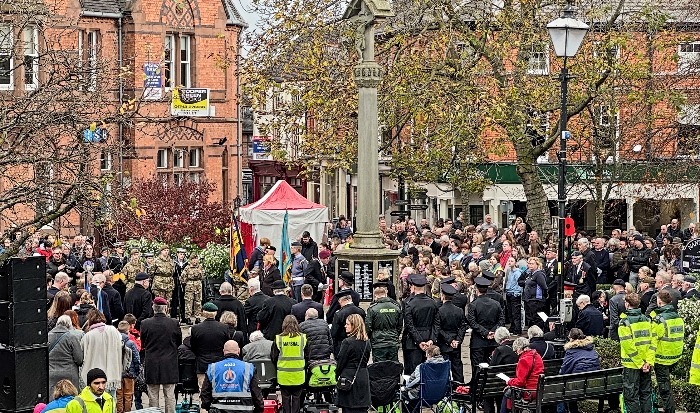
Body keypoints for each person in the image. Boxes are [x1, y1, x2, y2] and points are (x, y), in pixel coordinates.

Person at [140, 297, 182, 413]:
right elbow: (178, 342)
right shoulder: (174, 323)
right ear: (165, 308)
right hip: (169, 363)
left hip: (152, 362)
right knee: (169, 395)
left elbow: (143, 342)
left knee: (153, 395)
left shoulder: (145, 323)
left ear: (153, 307)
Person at [200, 340, 265, 413]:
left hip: (219, 410)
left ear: (224, 351)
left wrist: (206, 406)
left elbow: (205, 392)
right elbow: (256, 391)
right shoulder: (248, 367)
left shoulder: (213, 368)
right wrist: (259, 408)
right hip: (244, 410)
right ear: (238, 351)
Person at [618, 293, 653, 413]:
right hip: (646, 364)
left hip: (632, 364)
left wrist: (639, 363)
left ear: (627, 304)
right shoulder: (648, 320)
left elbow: (628, 346)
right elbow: (652, 343)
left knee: (631, 396)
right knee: (646, 394)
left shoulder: (624, 322)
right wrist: (647, 362)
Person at [650, 290, 684, 413]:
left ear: (659, 301)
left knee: (664, 388)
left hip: (662, 357)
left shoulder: (659, 319)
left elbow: (653, 339)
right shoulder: (678, 316)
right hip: (675, 355)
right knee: (667, 386)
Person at [468, 276, 505, 386]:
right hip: (493, 341)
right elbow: (501, 320)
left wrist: (485, 332)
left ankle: (477, 389)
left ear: (477, 289)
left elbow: (472, 322)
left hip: (478, 341)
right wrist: (492, 332)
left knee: (477, 367)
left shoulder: (473, 305)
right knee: (491, 366)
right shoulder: (496, 304)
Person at [402, 273, 440, 375]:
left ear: (413, 286)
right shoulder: (433, 303)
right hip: (429, 338)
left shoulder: (409, 303)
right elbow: (436, 324)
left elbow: (409, 325)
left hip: (413, 342)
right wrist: (431, 339)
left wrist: (419, 341)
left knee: (412, 371)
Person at [80, 309, 123, 399]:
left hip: (94, 375)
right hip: (112, 373)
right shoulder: (113, 330)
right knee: (111, 400)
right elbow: (121, 345)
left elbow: (82, 354)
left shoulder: (88, 336)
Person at [271, 315, 309, 413]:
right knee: (297, 398)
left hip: (283, 374)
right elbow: (308, 356)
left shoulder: (279, 338)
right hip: (298, 374)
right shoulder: (302, 338)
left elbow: (274, 357)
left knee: (285, 397)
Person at [557, 329, 600, 413]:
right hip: (595, 386)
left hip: (578, 387)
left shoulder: (571, 352)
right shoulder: (591, 349)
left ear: (572, 339)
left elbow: (563, 372)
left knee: (559, 388)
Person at [335, 314, 372, 413]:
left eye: (347, 324)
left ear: (354, 325)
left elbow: (341, 362)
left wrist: (336, 375)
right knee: (362, 408)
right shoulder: (367, 342)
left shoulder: (347, 342)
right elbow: (366, 359)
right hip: (363, 376)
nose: (345, 326)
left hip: (349, 377)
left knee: (348, 408)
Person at [190, 302, 231, 389]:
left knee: (203, 389)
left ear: (204, 313)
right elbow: (227, 345)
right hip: (219, 362)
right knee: (219, 388)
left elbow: (193, 346)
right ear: (215, 313)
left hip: (202, 363)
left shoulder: (196, 328)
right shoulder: (224, 328)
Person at [501, 337, 544, 413]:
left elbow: (520, 382)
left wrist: (509, 381)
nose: (516, 353)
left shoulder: (523, 360)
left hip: (529, 393)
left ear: (520, 349)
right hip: (539, 390)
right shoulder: (537, 356)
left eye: (516, 350)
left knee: (507, 393)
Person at [436, 283, 467, 383]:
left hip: (444, 342)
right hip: (456, 343)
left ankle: (445, 389)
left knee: (444, 369)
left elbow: (438, 328)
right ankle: (460, 388)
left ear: (442, 296)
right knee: (457, 367)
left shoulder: (439, 311)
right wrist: (457, 340)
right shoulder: (459, 311)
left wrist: (449, 340)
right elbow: (463, 327)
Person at [483, 328, 519, 413]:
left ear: (497, 339)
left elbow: (492, 369)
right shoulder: (517, 346)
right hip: (515, 380)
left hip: (500, 384)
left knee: (487, 392)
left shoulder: (499, 350)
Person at [365, 282, 402, 362]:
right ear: (386, 293)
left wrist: (372, 337)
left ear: (375, 295)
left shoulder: (373, 309)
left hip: (378, 343)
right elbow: (399, 326)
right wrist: (395, 335)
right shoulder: (396, 307)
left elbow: (368, 327)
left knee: (379, 368)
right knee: (393, 366)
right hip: (393, 341)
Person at [48, 315, 84, 393]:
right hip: (69, 375)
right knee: (70, 398)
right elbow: (79, 359)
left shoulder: (48, 337)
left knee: (54, 398)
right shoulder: (71, 337)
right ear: (69, 325)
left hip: (52, 373)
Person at [331, 290, 366, 356]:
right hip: (359, 345)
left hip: (342, 346)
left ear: (341, 301)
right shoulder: (361, 311)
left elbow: (334, 333)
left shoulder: (339, 313)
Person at [116, 321, 140, 413]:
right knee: (128, 395)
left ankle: (119, 411)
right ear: (128, 330)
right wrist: (137, 371)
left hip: (118, 373)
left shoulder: (114, 342)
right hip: (129, 373)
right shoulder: (130, 343)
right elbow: (136, 358)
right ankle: (128, 411)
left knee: (119, 395)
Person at [520, 257, 548, 329]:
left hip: (536, 301)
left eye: (532, 264)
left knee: (538, 318)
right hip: (528, 300)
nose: (530, 265)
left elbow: (544, 287)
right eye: (529, 264)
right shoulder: (529, 274)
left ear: (537, 264)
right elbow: (520, 280)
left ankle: (541, 332)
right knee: (530, 319)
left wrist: (544, 296)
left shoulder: (539, 274)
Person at [181, 253, 204, 325]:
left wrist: (200, 271)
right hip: (189, 287)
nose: (195, 261)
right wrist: (187, 283)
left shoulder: (200, 267)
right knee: (188, 302)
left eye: (196, 259)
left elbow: (202, 277)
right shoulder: (187, 268)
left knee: (198, 302)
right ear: (190, 260)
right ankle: (188, 317)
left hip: (198, 287)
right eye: (193, 259)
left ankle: (197, 317)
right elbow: (182, 278)